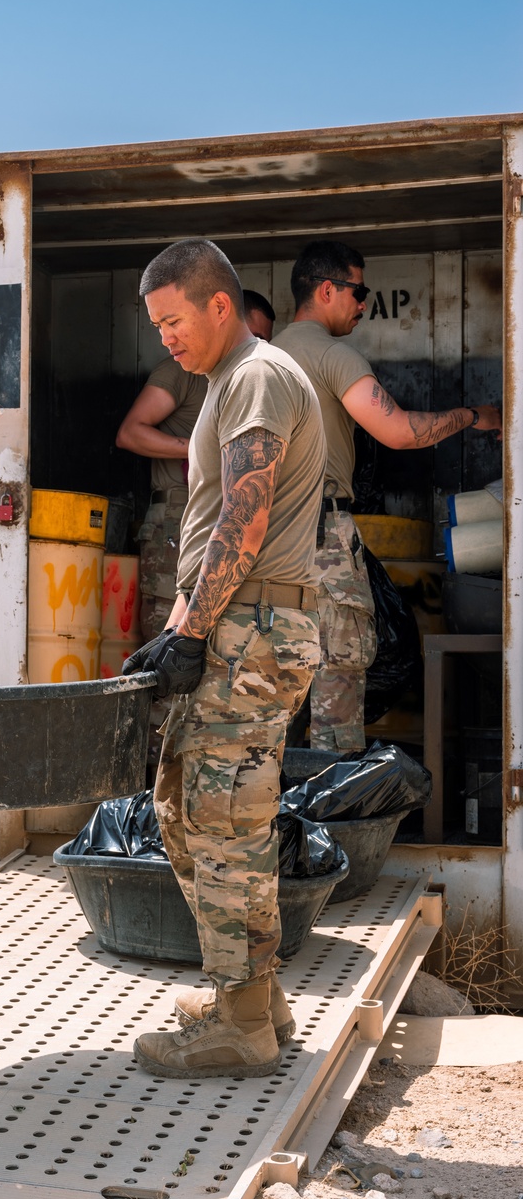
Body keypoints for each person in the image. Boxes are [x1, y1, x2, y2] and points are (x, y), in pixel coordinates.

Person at [123, 240, 325, 1079]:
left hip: (253, 629)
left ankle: (242, 1021)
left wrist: (196, 633)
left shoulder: (256, 376)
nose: (165, 338)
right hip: (233, 627)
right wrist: (175, 630)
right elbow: (213, 526)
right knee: (193, 807)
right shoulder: (222, 386)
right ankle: (256, 995)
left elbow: (244, 521)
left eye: (173, 320)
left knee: (222, 821)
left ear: (217, 306)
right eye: (155, 326)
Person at [275, 241, 502, 751]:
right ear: (327, 289)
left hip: (262, 540)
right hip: (319, 536)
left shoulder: (257, 359)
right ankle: (332, 821)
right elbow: (398, 432)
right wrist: (473, 415)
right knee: (337, 681)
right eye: (359, 292)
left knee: (275, 683)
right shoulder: (333, 355)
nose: (363, 305)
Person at [116, 290, 278, 642]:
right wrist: (195, 450)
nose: (257, 346)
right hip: (176, 515)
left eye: (265, 339)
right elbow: (131, 433)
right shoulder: (184, 371)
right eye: (254, 335)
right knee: (166, 633)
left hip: (221, 518)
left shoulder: (251, 377)